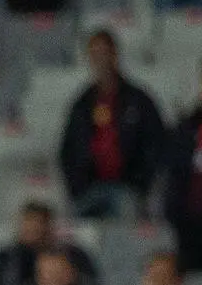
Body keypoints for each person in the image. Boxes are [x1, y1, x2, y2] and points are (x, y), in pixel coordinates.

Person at [58, 30, 164, 219]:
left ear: (115, 55)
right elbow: (68, 150)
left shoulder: (138, 100)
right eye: (95, 54)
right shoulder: (82, 103)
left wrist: (140, 183)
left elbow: (156, 144)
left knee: (126, 219)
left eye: (104, 53)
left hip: (128, 188)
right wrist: (77, 185)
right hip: (88, 189)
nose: (100, 60)